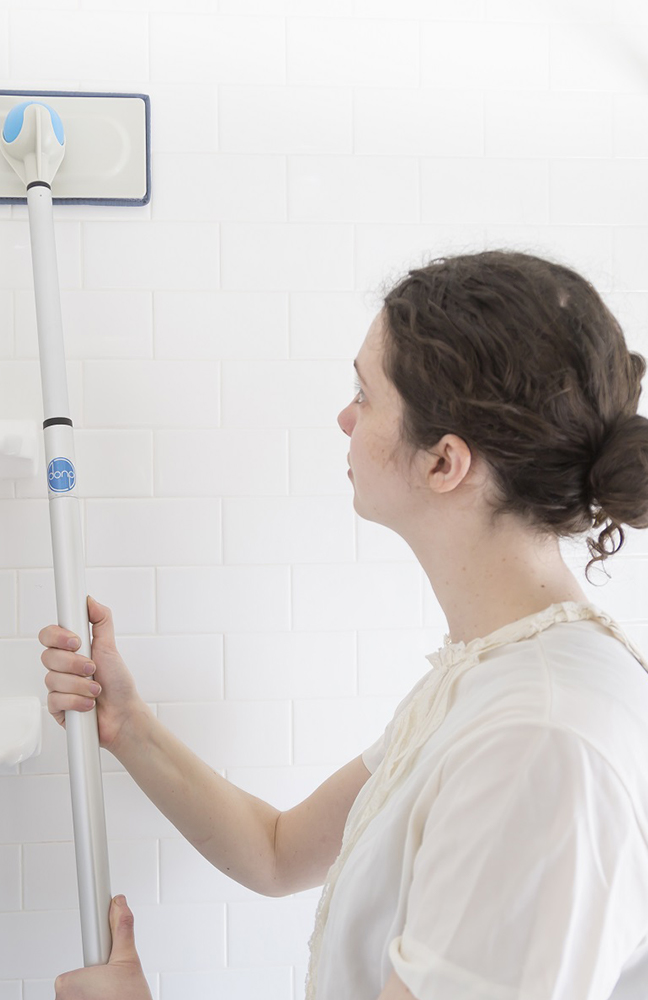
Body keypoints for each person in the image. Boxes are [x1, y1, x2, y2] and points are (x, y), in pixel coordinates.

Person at [39, 250, 648, 1000]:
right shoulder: (494, 674)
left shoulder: (536, 747)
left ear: (444, 462)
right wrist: (127, 724)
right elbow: (277, 851)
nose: (344, 418)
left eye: (365, 394)